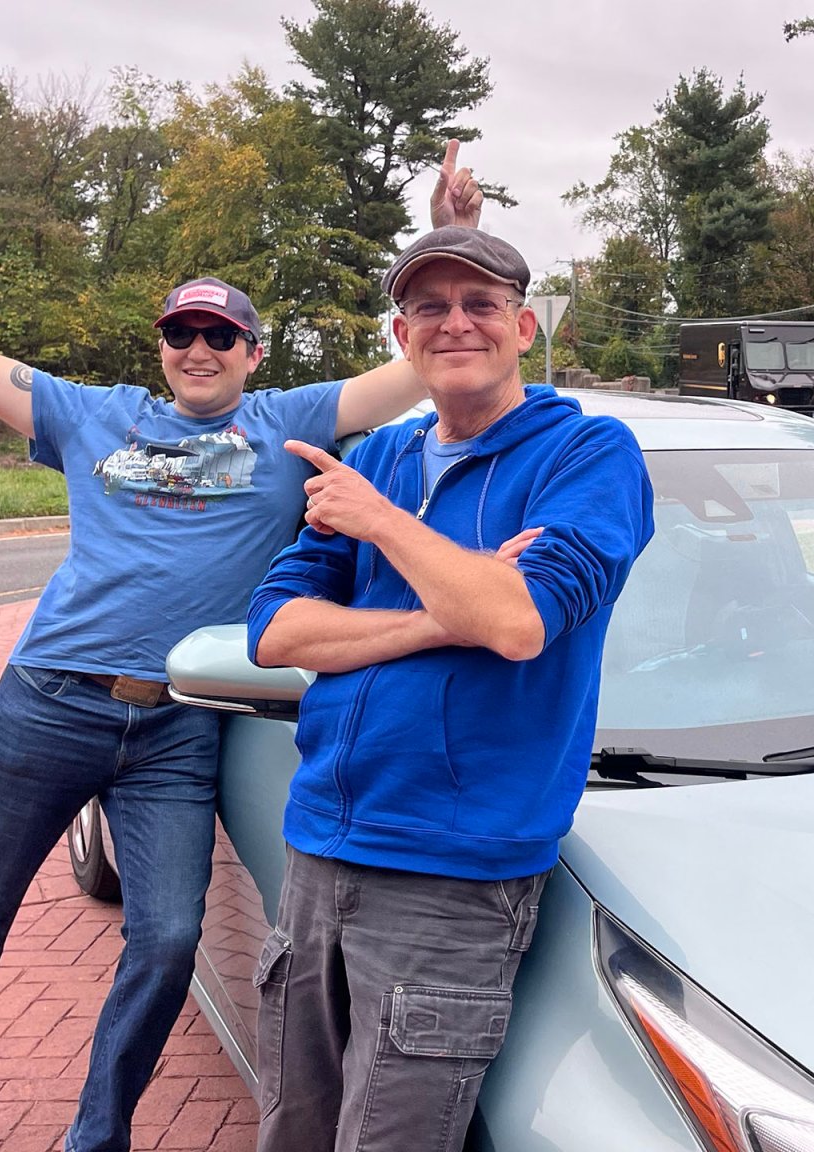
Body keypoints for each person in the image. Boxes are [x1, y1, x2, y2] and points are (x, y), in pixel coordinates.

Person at [0, 119, 486, 1152]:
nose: (199, 351)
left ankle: (95, 1134)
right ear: (160, 346)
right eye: (181, 334)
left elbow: (425, 368)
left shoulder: (292, 423)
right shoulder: (90, 416)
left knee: (165, 941)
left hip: (178, 729)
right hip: (50, 702)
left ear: (252, 352)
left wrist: (447, 237)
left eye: (220, 337)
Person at [244, 226, 654, 1151]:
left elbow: (517, 622)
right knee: (293, 1133)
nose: (455, 322)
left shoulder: (588, 457)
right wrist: (443, 613)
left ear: (524, 325)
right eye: (431, 306)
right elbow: (275, 630)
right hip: (319, 848)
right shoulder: (379, 457)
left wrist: (383, 529)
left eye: (480, 304)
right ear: (402, 332)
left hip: (452, 877)